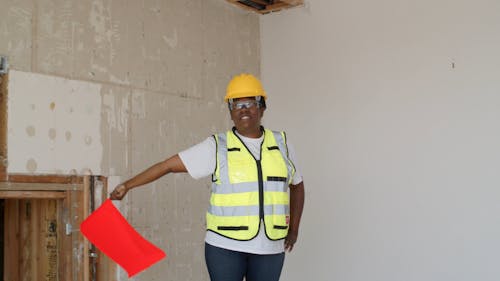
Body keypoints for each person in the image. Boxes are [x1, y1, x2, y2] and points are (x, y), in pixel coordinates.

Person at [110, 73, 305, 281]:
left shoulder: (282, 144)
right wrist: (127, 185)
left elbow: (298, 186)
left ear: (262, 107)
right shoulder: (217, 146)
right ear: (230, 112)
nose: (243, 110)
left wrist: (294, 229)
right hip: (225, 247)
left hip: (270, 248)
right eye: (235, 105)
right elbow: (167, 166)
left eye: (250, 103)